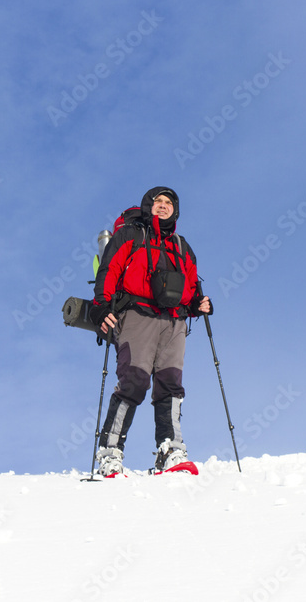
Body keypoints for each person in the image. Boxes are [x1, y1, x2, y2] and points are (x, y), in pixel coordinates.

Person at [88, 186, 212, 476]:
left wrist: (199, 304)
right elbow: (109, 270)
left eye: (169, 203)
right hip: (137, 315)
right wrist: (101, 307)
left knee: (171, 385)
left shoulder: (182, 246)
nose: (163, 206)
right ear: (148, 206)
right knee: (135, 380)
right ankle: (110, 453)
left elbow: (191, 286)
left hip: (174, 321)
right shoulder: (130, 236)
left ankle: (171, 452)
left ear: (175, 210)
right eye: (158, 201)